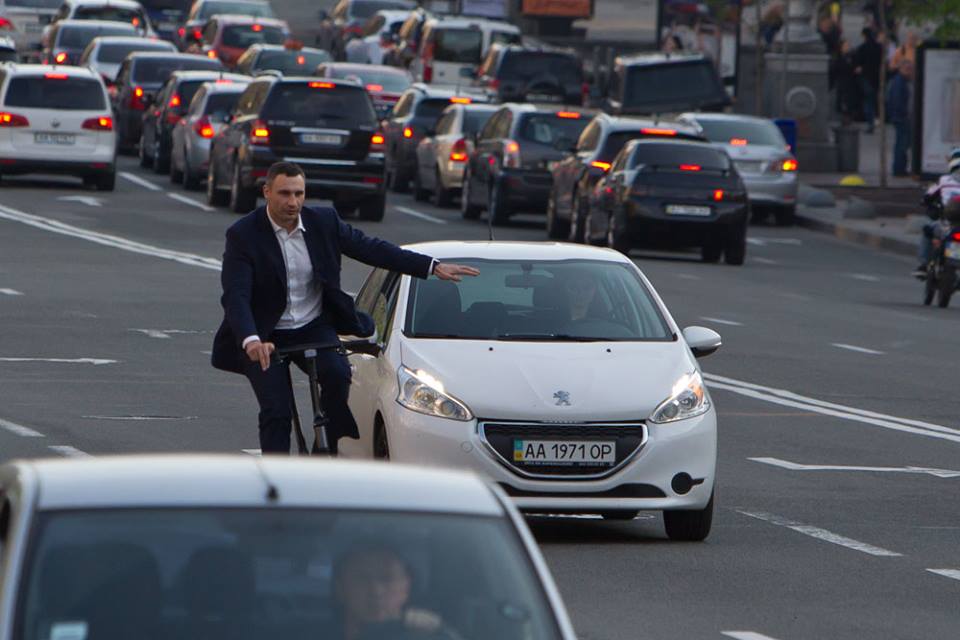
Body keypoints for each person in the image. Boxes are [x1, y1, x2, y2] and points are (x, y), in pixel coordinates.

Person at [211, 162, 479, 454]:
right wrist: (251, 340)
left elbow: (372, 248)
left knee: (338, 375)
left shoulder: (323, 222)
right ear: (266, 192)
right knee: (276, 411)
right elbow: (236, 295)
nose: (293, 202)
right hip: (265, 334)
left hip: (312, 326)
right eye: (284, 194)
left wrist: (431, 266)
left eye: (299, 193)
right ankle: (277, 481)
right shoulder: (243, 234)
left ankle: (324, 447)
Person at [333, 547, 449, 640]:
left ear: (406, 588)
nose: (376, 591)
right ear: (341, 588)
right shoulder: (316, 634)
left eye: (387, 579)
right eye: (363, 579)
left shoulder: (430, 635)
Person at [914, 151, 960, 276]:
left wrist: (925, 202)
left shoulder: (944, 180)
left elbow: (927, 196)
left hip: (946, 222)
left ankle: (923, 265)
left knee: (928, 231)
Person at [886, 59, 913, 176]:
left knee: (902, 143)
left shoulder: (902, 81)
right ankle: (899, 169)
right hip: (901, 118)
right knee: (901, 144)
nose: (910, 72)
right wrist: (903, 114)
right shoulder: (899, 82)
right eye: (908, 69)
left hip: (901, 117)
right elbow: (897, 100)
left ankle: (900, 168)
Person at [854, 28, 882, 133]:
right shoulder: (879, 47)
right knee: (873, 100)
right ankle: (875, 119)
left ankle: (870, 122)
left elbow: (857, 63)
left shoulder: (862, 48)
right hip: (876, 78)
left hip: (866, 78)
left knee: (868, 101)